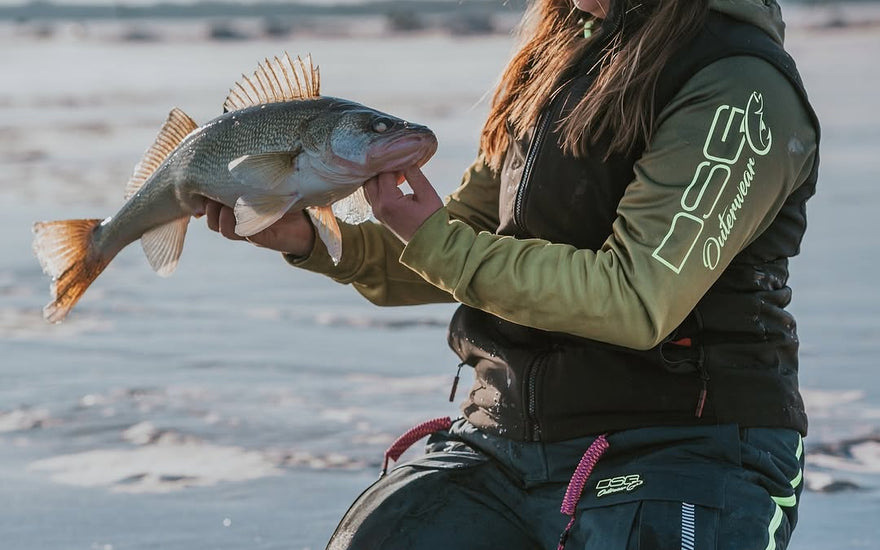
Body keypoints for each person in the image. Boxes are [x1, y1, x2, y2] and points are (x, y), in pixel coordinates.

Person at [206, 0, 820, 548]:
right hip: (506, 438)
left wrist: (436, 243)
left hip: (685, 445)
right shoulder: (558, 54)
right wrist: (315, 240)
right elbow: (455, 248)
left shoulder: (737, 83)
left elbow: (636, 297)